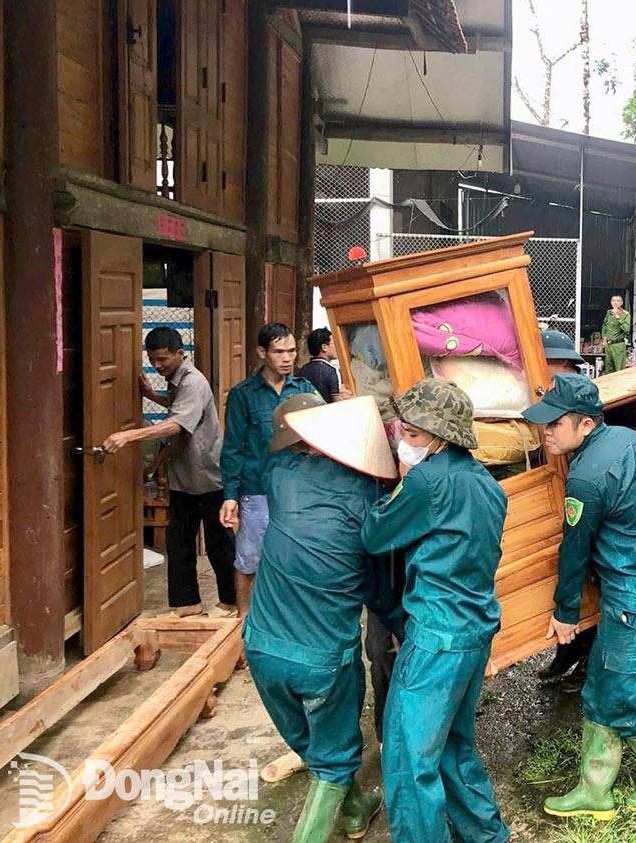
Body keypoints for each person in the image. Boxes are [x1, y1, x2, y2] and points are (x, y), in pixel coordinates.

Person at [524, 374, 636, 819]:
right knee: (600, 686)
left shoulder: (586, 478)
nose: (546, 433)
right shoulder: (628, 438)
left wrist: (565, 612)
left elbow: (574, 550)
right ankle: (594, 789)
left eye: (554, 425)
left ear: (583, 425)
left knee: (622, 696)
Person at [361, 378, 510, 843]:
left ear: (441, 437)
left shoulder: (427, 481)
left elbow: (375, 535)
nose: (404, 441)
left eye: (413, 434)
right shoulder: (486, 482)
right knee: (451, 748)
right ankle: (487, 837)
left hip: (436, 638)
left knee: (408, 761)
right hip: (474, 630)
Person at [243, 394, 395, 842]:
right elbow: (379, 580)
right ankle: (327, 812)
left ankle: (352, 813)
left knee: (315, 744)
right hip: (323, 660)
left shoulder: (282, 476)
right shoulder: (369, 497)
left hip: (261, 648)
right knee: (332, 761)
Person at [102, 327, 236, 618]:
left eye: (163, 359)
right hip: (184, 477)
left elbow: (177, 424)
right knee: (178, 541)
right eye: (152, 360)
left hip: (208, 476)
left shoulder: (192, 382)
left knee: (218, 543)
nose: (158, 365)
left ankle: (232, 601)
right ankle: (187, 604)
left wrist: (128, 436)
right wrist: (152, 394)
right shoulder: (176, 380)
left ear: (180, 353)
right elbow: (180, 410)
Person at [219, 323, 318, 616]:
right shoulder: (243, 395)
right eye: (279, 352)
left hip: (298, 491)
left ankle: (287, 622)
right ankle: (243, 624)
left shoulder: (304, 392)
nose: (287, 358)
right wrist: (230, 496)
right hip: (257, 490)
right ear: (262, 352)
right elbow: (233, 447)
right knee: (249, 559)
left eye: (291, 351)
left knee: (295, 558)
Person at [537, 329, 596, 693]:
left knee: (585, 575)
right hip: (559, 488)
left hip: (583, 498)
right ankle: (568, 651)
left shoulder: (580, 402)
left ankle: (587, 660)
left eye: (555, 369)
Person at [297, 327, 351, 403]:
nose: (337, 347)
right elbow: (337, 403)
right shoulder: (331, 371)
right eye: (334, 343)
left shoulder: (303, 370)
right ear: (324, 347)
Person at [600, 295, 631, 374]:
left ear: (621, 303)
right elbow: (604, 327)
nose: (615, 302)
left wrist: (618, 316)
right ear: (611, 302)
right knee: (608, 369)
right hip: (608, 345)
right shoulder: (609, 313)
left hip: (618, 345)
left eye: (618, 301)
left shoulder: (625, 314)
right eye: (613, 301)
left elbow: (626, 329)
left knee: (619, 369)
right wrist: (604, 339)